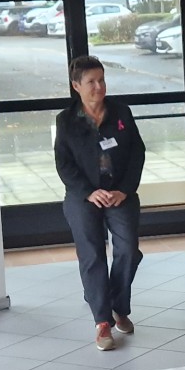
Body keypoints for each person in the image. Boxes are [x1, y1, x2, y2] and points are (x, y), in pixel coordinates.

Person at [54, 55, 146, 352]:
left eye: (102, 80)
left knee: (128, 250)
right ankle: (103, 321)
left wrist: (124, 190)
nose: (99, 87)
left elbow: (137, 153)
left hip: (119, 192)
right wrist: (89, 192)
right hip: (84, 195)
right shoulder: (66, 120)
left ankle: (118, 306)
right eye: (91, 82)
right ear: (76, 86)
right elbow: (64, 164)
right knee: (92, 254)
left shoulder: (121, 112)